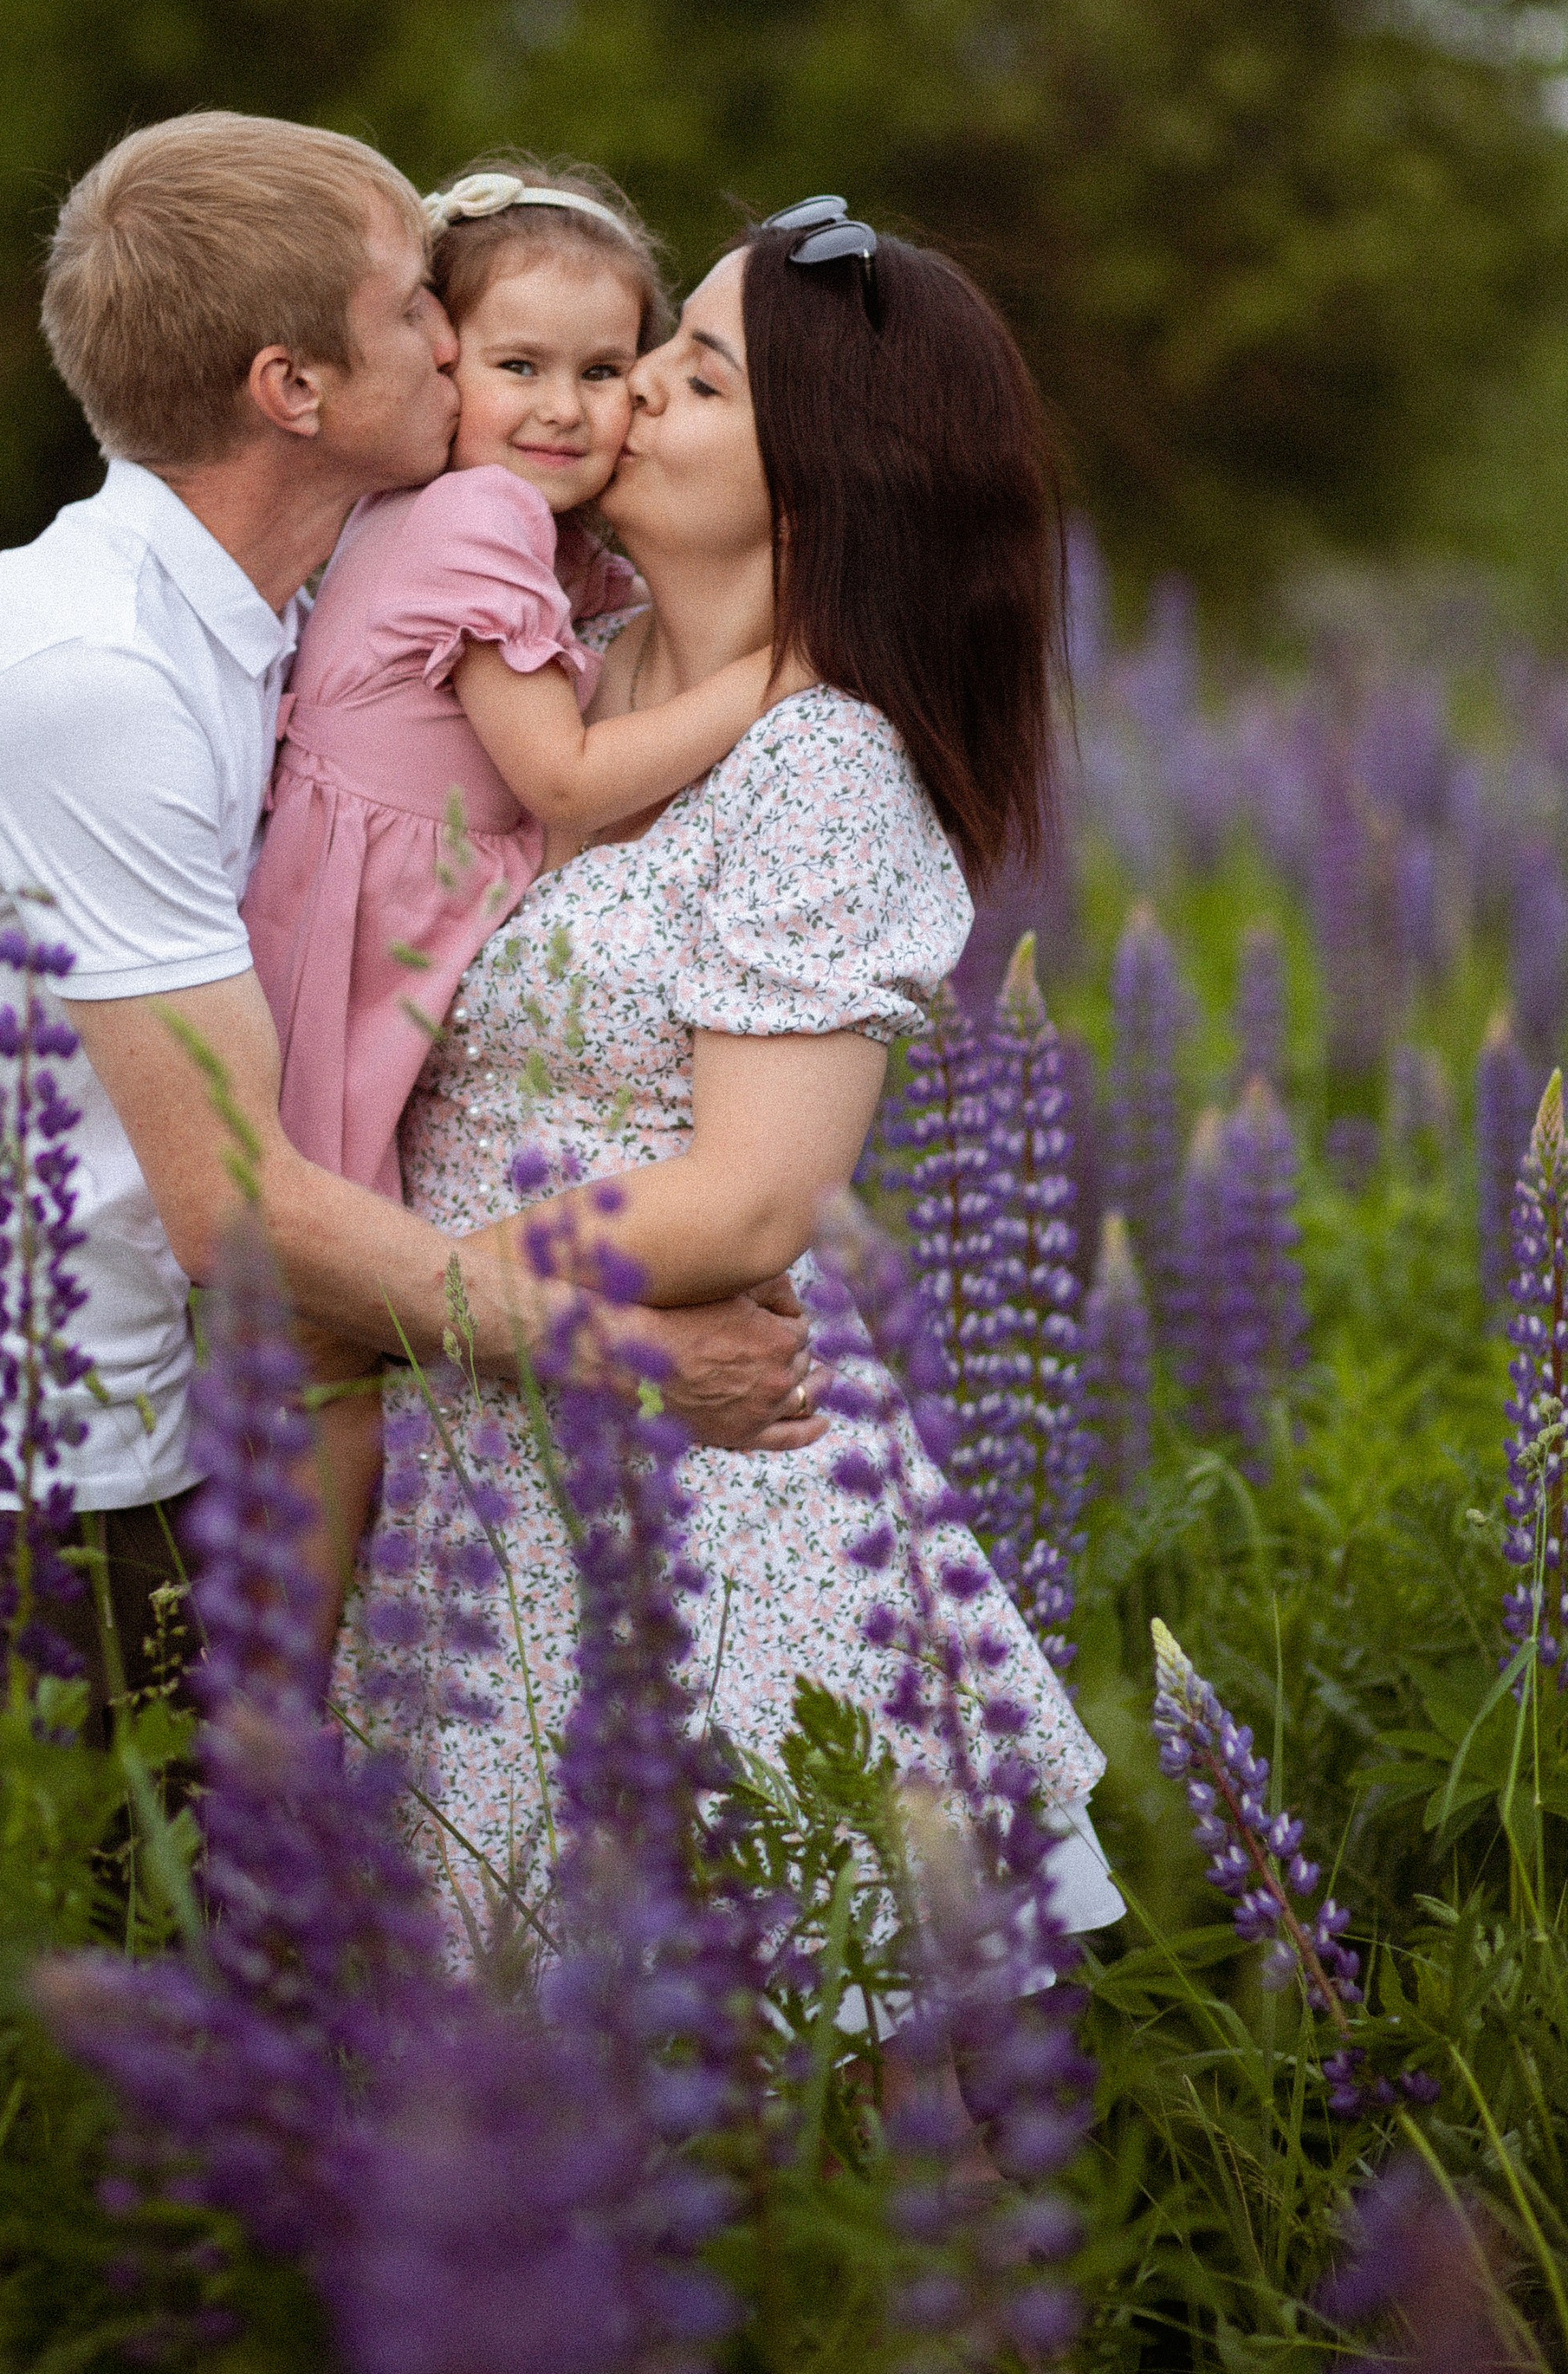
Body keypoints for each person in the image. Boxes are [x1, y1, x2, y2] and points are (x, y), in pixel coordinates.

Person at [0, 113, 821, 1812]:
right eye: (411, 313)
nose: (449, 343)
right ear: (291, 389)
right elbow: (237, 1206)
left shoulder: (270, 621)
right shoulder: (91, 676)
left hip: (134, 1434)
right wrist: (643, 1360)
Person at [336, 198, 1120, 1932]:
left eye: (689, 375)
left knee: (789, 2107)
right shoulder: (566, 667)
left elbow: (754, 1195)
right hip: (477, 1442)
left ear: (816, 479)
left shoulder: (824, 758)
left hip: (699, 1504)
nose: (620, 401)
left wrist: (402, 1292)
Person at [241, 162, 774, 1622]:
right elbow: (569, 780)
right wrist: (775, 679)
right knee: (332, 1351)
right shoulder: (476, 519)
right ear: (441, 364)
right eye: (518, 365)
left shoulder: (510, 533)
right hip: (351, 967)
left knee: (333, 1345)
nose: (563, 406)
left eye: (607, 371)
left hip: (382, 940)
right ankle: (292, 1675)